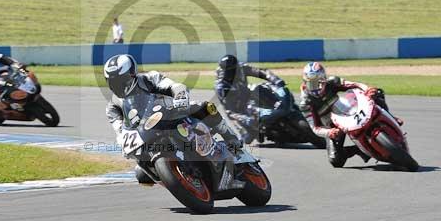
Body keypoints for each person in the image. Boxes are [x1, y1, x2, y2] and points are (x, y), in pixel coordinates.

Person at [103, 54, 244, 185]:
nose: (118, 86)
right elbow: (119, 130)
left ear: (132, 74)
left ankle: (231, 138)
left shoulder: (148, 79)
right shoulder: (113, 107)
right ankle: (179, 180)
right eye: (112, 83)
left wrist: (180, 95)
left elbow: (172, 85)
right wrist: (123, 141)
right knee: (141, 175)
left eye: (121, 81)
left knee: (205, 107)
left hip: (171, 113)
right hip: (145, 134)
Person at [299, 61, 403, 167]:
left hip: (346, 109)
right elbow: (315, 128)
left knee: (377, 93)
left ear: (324, 79)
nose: (315, 88)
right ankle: (360, 150)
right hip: (332, 125)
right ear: (305, 83)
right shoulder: (305, 103)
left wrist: (367, 89)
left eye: (318, 83)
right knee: (335, 160)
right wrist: (329, 132)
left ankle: (390, 117)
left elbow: (354, 84)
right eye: (311, 84)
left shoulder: (332, 81)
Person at [214, 54, 297, 141]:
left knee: (261, 88)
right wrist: (246, 119)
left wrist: (276, 80)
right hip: (238, 110)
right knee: (248, 137)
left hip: (247, 94)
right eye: (232, 71)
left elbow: (261, 72)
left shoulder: (241, 67)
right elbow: (230, 111)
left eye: (236, 68)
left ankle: (286, 107)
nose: (236, 71)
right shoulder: (221, 87)